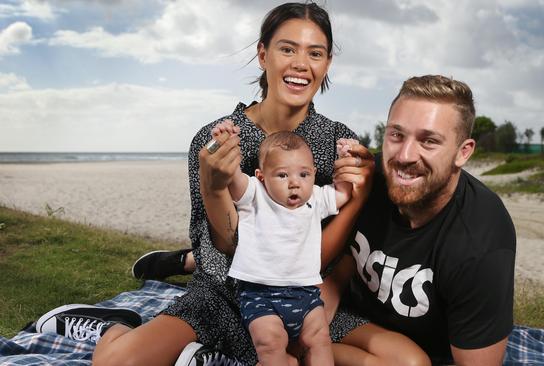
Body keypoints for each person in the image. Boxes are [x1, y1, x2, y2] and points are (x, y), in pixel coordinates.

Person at [34, 3, 426, 366]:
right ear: (263, 55)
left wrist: (356, 198)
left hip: (302, 296)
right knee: (115, 362)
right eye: (287, 49)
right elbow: (228, 246)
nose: (301, 64)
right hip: (226, 292)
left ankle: (212, 353)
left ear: (327, 64)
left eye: (315, 53)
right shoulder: (215, 141)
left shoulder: (335, 144)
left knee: (410, 361)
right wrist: (214, 185)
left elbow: (327, 257)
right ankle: (115, 322)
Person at [324, 74, 517, 365]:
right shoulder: (365, 181)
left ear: (463, 152)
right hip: (345, 323)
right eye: (396, 135)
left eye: (429, 141)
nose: (404, 156)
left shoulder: (481, 239)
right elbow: (335, 272)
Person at [213, 122, 356, 365]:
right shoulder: (255, 195)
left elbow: (343, 193)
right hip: (261, 295)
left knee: (320, 339)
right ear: (261, 176)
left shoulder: (316, 199)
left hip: (306, 294)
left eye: (304, 174)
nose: (294, 183)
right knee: (270, 344)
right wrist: (226, 142)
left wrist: (347, 157)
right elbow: (231, 177)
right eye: (282, 175)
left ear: (313, 172)